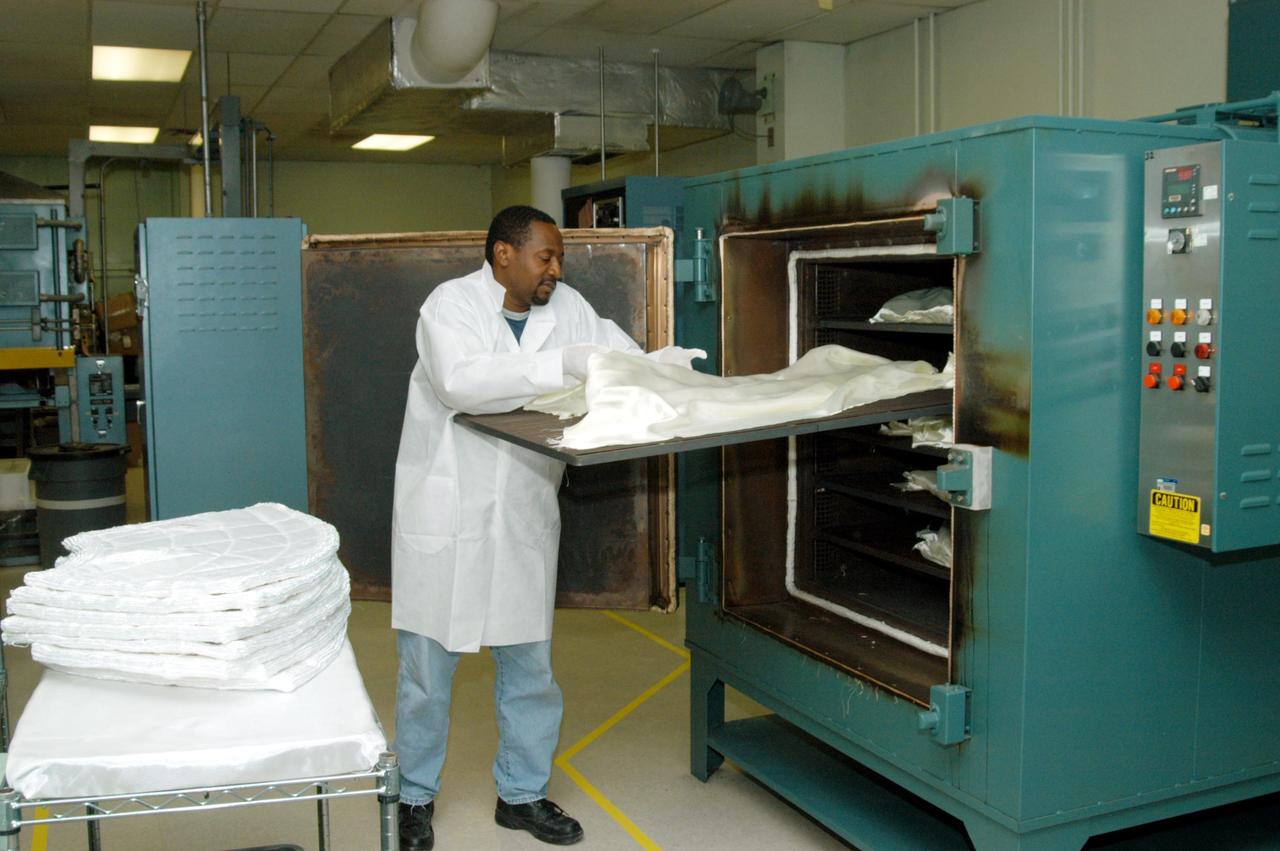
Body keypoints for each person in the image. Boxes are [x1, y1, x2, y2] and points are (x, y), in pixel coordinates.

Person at [390, 205, 642, 849]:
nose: (556, 268)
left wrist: (680, 376)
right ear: (504, 253)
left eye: (559, 258)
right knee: (426, 673)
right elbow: (462, 384)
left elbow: (623, 360)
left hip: (523, 510)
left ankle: (522, 793)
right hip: (445, 512)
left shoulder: (570, 310)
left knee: (530, 669)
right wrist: (563, 367)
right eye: (545, 256)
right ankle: (413, 798)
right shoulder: (448, 307)